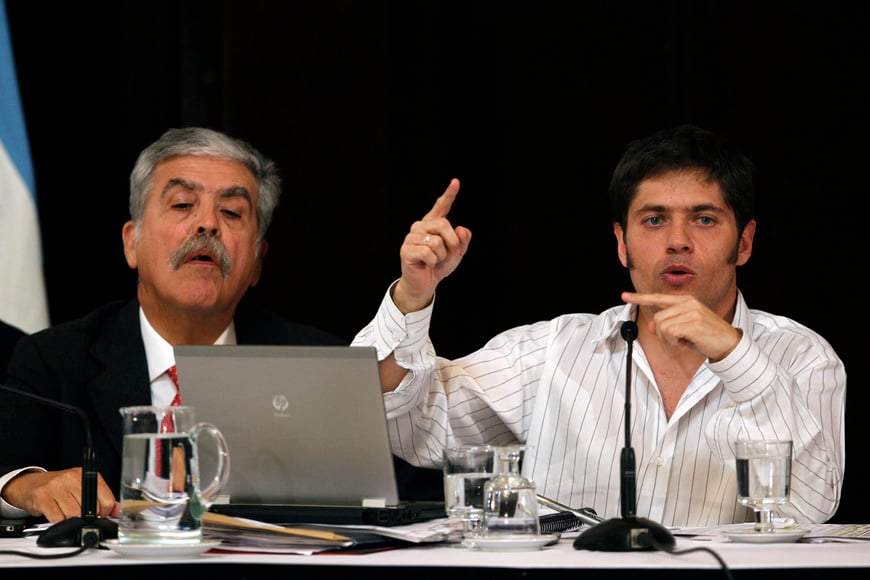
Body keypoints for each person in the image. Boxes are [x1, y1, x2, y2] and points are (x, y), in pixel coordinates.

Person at [351, 124, 846, 527]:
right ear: (621, 244)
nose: (677, 241)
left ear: (744, 243)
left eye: (704, 220)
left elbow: (808, 511)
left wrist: (736, 357)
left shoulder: (802, 358)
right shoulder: (552, 350)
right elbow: (405, 425)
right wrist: (413, 296)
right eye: (654, 220)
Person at [0, 127, 350, 523]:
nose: (207, 224)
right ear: (132, 242)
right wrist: (23, 485)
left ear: (257, 261)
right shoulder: (53, 361)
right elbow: (6, 470)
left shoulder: (317, 369)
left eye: (231, 212)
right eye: (183, 205)